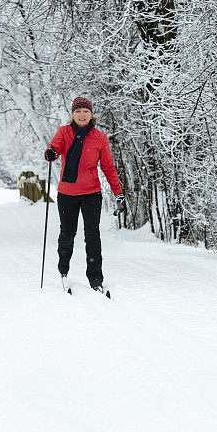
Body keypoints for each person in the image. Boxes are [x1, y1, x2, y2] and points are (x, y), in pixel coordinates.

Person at [44, 96, 126, 294]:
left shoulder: (100, 138)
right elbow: (54, 146)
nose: (82, 114)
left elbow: (108, 167)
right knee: (67, 234)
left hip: (91, 194)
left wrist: (118, 192)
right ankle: (63, 272)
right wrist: (51, 152)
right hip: (67, 194)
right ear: (73, 114)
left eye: (85, 111)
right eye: (78, 111)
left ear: (91, 114)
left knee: (92, 236)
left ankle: (95, 279)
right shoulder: (64, 132)